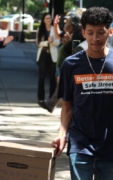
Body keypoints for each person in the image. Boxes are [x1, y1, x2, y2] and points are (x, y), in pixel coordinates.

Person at [52, 7, 113, 180]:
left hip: (110, 145)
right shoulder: (71, 65)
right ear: (83, 32)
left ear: (110, 32)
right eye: (90, 32)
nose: (95, 38)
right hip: (80, 142)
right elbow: (68, 104)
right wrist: (62, 134)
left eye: (101, 32)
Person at [44, 13, 85, 113]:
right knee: (62, 86)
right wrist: (56, 25)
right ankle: (51, 104)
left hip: (69, 66)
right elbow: (59, 35)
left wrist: (66, 42)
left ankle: (51, 104)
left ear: (73, 25)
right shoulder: (72, 33)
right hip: (63, 64)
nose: (66, 24)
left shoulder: (77, 35)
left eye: (68, 22)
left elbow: (73, 50)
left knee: (64, 87)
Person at [36, 12, 60, 106]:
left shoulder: (55, 29)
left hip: (52, 54)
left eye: (50, 18)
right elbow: (38, 43)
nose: (48, 20)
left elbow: (58, 42)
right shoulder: (40, 29)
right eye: (46, 18)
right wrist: (47, 42)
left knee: (52, 77)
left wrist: (52, 41)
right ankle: (40, 98)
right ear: (43, 20)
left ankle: (51, 97)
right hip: (43, 54)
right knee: (41, 76)